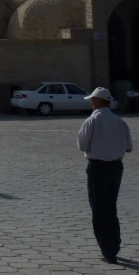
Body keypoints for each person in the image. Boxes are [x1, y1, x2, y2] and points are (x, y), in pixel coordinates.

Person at [77, 87, 133, 264]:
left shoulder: (92, 121)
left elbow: (81, 145)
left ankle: (108, 251)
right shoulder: (119, 121)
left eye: (93, 100)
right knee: (111, 207)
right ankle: (114, 245)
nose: (91, 103)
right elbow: (129, 147)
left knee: (99, 209)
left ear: (99, 101)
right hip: (116, 167)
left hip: (98, 167)